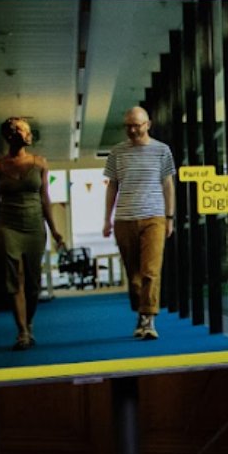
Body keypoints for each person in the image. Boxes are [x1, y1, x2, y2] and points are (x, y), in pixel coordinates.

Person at [0, 116, 65, 350]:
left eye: (29, 131)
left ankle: (28, 323)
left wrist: (55, 231)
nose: (29, 135)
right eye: (24, 130)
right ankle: (22, 333)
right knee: (14, 278)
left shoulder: (39, 163)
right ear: (11, 135)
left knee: (33, 283)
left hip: (33, 226)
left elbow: (45, 199)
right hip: (6, 226)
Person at [102, 106, 177, 341]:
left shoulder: (162, 151)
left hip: (154, 217)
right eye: (128, 126)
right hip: (125, 218)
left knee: (151, 271)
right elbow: (112, 186)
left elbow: (168, 185)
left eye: (136, 125)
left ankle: (148, 319)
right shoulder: (116, 152)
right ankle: (141, 310)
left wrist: (169, 217)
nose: (132, 130)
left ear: (148, 124)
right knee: (133, 275)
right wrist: (107, 219)